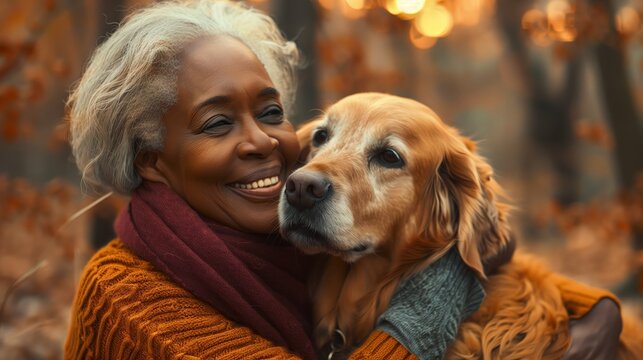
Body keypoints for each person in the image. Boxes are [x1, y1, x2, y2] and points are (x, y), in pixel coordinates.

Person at [64, 1, 621, 359]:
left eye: (272, 112)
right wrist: (438, 298)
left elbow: (489, 252)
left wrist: (600, 311)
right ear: (151, 160)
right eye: (215, 123)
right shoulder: (129, 299)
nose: (264, 143)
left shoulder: (290, 247)